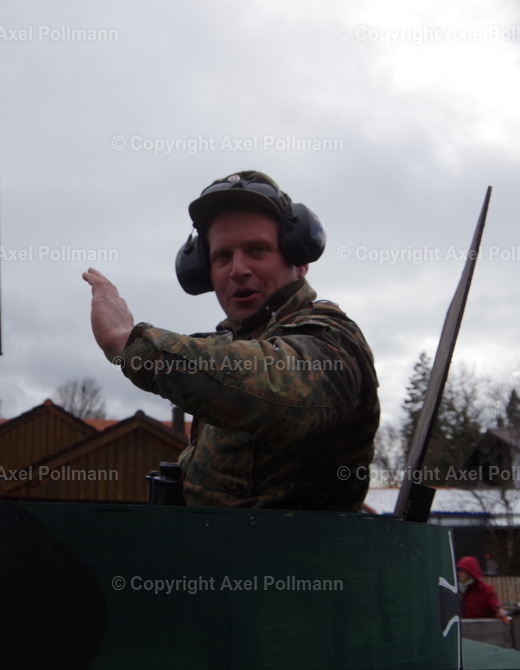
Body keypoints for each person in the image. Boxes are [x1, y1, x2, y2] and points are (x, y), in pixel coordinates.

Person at [83, 170, 379, 511]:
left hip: (297, 562)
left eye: (257, 250)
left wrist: (133, 345)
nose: (238, 269)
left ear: (300, 261)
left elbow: (279, 386)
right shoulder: (230, 348)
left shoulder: (332, 338)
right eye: (222, 256)